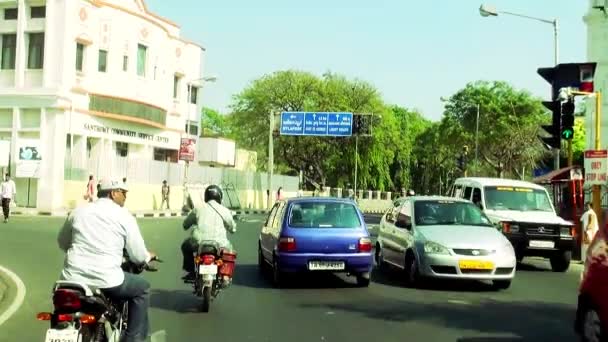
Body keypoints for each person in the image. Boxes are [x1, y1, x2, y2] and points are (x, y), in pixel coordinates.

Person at [57, 179, 155, 342]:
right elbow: (137, 255)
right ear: (113, 193)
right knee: (143, 288)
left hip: (71, 279)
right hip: (107, 280)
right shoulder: (124, 216)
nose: (125, 197)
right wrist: (147, 257)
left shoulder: (78, 211)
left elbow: (63, 242)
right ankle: (132, 338)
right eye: (123, 193)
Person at [181, 185, 236, 283]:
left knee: (185, 246)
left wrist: (191, 223)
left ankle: (192, 272)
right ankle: (225, 276)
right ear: (219, 197)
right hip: (220, 244)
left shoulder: (198, 208)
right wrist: (231, 228)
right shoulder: (225, 210)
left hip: (199, 242)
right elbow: (233, 228)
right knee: (230, 251)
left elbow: (186, 224)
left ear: (206, 196)